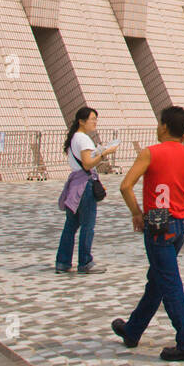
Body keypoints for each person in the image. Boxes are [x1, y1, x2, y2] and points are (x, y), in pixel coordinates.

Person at [112, 106, 184, 361]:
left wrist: (137, 213)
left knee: (170, 284)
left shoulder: (150, 153)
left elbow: (125, 186)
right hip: (181, 224)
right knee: (158, 280)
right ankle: (132, 330)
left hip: (158, 222)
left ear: (163, 127)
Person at [55, 106, 118, 275]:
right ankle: (85, 262)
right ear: (82, 121)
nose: (95, 122)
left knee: (71, 225)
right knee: (87, 225)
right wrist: (105, 154)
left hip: (75, 185)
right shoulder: (83, 139)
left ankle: (62, 262)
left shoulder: (75, 138)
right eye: (92, 119)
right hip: (85, 185)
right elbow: (87, 164)